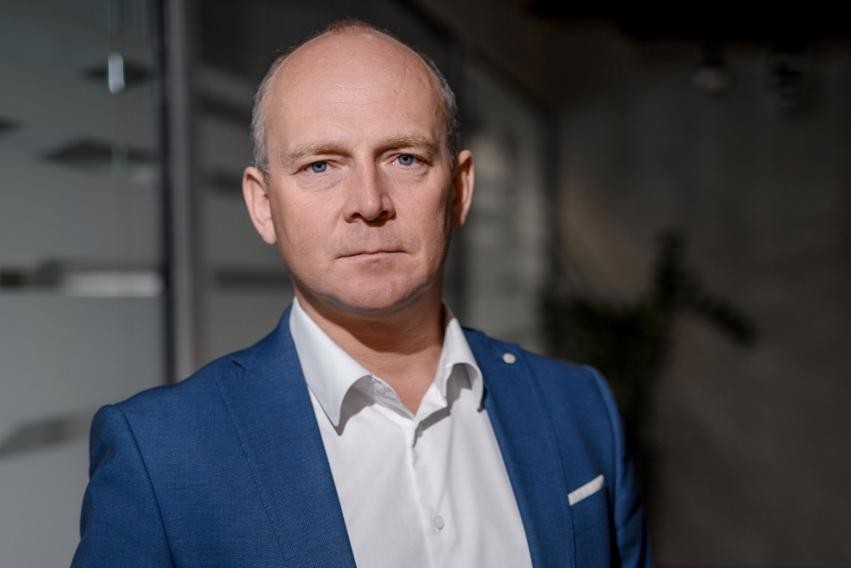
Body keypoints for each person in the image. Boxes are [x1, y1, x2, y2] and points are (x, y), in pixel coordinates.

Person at [72, 20, 652, 568]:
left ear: (458, 190)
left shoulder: (579, 408)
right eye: (321, 166)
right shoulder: (162, 456)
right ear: (263, 205)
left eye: (404, 158)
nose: (369, 202)